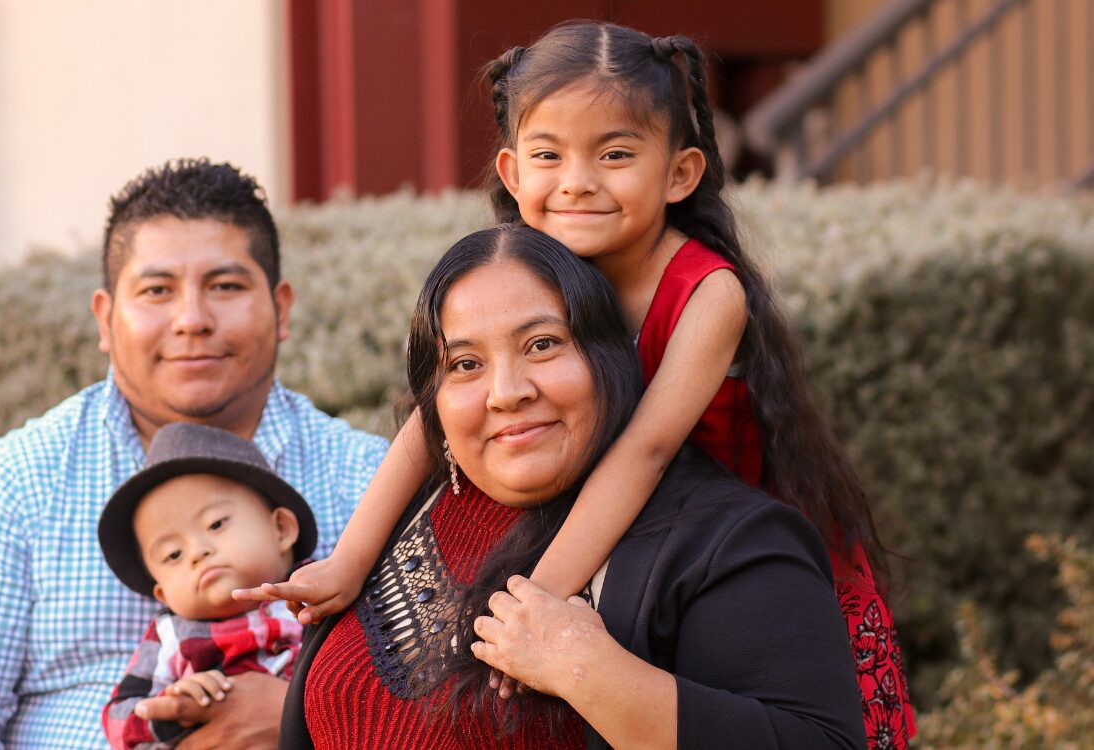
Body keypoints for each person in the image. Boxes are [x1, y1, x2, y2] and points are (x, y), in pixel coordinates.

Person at [247, 21, 912, 748]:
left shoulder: (705, 291)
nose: (577, 183)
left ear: (681, 173)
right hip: (598, 497)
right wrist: (348, 563)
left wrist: (534, 602)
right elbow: (429, 427)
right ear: (511, 173)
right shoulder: (545, 264)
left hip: (693, 515)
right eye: (548, 156)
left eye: (616, 154)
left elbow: (648, 450)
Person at [275, 224, 865, 749]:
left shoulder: (727, 542)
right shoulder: (408, 510)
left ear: (610, 357)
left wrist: (593, 673)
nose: (506, 391)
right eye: (465, 364)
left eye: (542, 345)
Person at [0, 159, 388, 750]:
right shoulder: (16, 487)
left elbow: (445, 703)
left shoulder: (368, 484)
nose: (192, 320)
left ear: (281, 308)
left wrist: (304, 719)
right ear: (105, 318)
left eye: (226, 286)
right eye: (157, 291)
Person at [98, 422, 319, 749]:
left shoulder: (318, 596)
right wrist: (173, 708)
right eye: (173, 554)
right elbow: (118, 719)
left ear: (282, 529)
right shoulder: (171, 636)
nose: (198, 552)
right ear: (164, 594)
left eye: (216, 524)